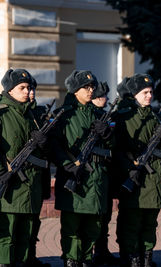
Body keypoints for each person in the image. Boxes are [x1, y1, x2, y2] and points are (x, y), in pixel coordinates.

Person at [50, 70, 113, 267]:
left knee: (93, 226)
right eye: (86, 87)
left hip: (96, 180)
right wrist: (67, 165)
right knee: (72, 227)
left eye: (92, 86)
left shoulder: (99, 114)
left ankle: (86, 260)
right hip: (74, 177)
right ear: (75, 90)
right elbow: (53, 146)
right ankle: (71, 260)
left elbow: (113, 147)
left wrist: (108, 135)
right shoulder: (63, 115)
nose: (90, 90)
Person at [114, 74, 161, 267]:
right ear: (134, 94)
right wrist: (129, 168)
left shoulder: (156, 116)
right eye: (145, 92)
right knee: (132, 223)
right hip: (135, 179)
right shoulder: (123, 118)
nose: (149, 96)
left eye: (151, 92)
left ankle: (147, 256)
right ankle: (132, 257)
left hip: (154, 180)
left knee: (150, 223)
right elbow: (116, 149)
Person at [0, 69, 49, 267]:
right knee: (7, 233)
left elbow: (45, 152)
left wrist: (44, 142)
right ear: (10, 90)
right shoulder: (3, 113)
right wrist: (3, 172)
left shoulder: (33, 115)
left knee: (27, 231)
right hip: (9, 184)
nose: (27, 91)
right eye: (22, 88)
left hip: (31, 184)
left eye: (29, 87)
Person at [91, 82, 119, 266]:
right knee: (93, 217)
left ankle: (102, 249)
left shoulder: (107, 115)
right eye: (101, 96)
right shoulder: (89, 115)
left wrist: (109, 135)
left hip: (107, 172)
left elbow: (115, 144)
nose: (105, 99)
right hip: (91, 171)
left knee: (105, 214)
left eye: (105, 96)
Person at [26, 76, 52, 267]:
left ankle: (32, 255)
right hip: (22, 170)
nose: (31, 93)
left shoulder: (41, 112)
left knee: (35, 219)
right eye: (28, 89)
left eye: (34, 89)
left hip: (40, 171)